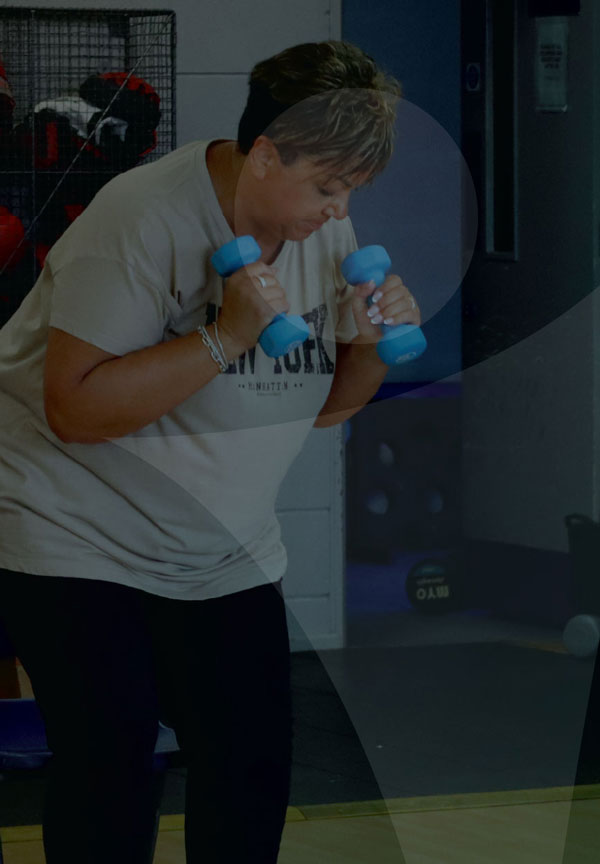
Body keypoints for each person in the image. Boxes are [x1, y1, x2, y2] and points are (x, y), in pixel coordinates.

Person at [0, 41, 411, 862]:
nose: (339, 212)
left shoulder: (322, 226)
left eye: (352, 193)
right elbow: (74, 409)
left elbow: (325, 408)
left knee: (253, 763)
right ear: (264, 155)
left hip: (219, 551)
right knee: (115, 755)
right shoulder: (140, 218)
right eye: (328, 187)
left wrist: (369, 344)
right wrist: (224, 337)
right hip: (77, 527)